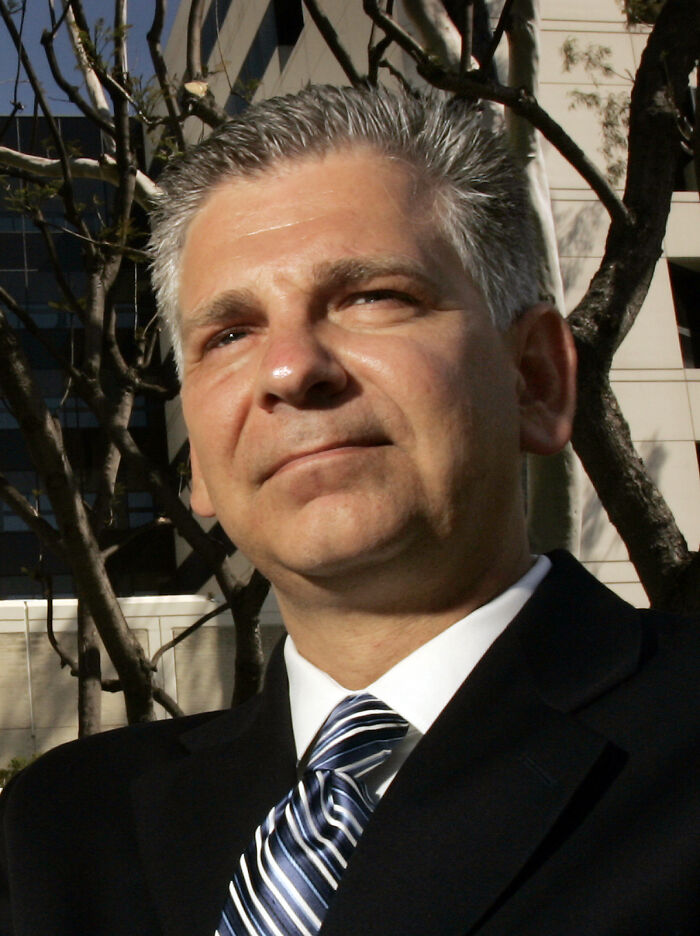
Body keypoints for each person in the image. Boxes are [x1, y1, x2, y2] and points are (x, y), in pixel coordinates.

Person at [1, 85, 698, 936]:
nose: (290, 369)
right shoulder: (64, 828)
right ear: (199, 472)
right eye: (229, 334)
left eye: (372, 296)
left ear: (536, 380)